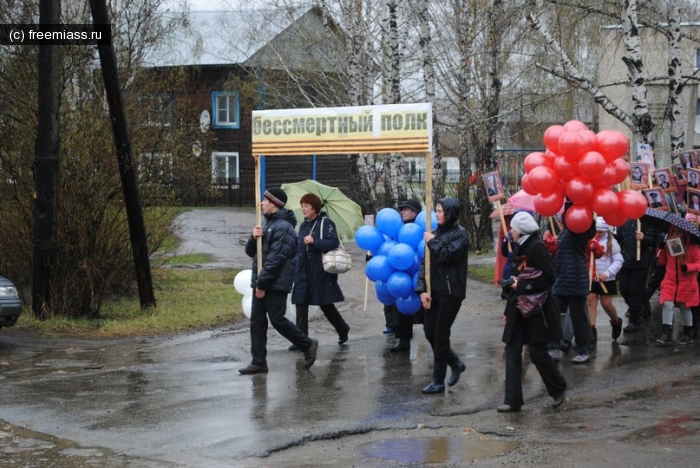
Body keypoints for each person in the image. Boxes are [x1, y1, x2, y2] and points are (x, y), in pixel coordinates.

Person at [241, 187, 318, 374]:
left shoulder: (284, 228)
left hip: (275, 282)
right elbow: (252, 252)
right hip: (262, 279)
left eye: (265, 201)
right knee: (257, 322)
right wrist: (253, 237)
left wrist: (261, 284)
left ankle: (307, 344)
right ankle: (259, 361)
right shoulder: (267, 224)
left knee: (277, 319)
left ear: (274, 204)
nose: (262, 204)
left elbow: (276, 259)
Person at [498, 211, 567, 412]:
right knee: (512, 350)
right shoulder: (521, 246)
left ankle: (558, 388)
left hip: (537, 310)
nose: (511, 231)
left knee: (537, 354)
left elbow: (548, 277)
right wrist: (508, 306)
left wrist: (521, 286)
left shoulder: (536, 247)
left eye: (513, 228)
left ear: (520, 230)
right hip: (518, 308)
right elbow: (516, 275)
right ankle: (512, 400)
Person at [415, 197, 468, 394]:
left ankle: (438, 381)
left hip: (450, 292)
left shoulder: (461, 235)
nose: (437, 214)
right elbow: (424, 265)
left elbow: (448, 256)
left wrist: (432, 242)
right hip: (433, 292)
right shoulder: (435, 233)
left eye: (440, 211)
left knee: (439, 335)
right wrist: (422, 290)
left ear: (450, 213)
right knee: (429, 331)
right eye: (436, 210)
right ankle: (454, 362)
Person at [291, 193, 350, 350]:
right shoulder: (303, 226)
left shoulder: (326, 223)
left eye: (307, 206)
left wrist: (315, 241)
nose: (303, 209)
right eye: (302, 206)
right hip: (303, 272)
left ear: (315, 208)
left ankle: (342, 328)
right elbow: (299, 249)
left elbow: (333, 242)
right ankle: (302, 341)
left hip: (320, 272)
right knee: (300, 304)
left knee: (325, 304)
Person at [551, 201, 596, 364]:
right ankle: (554, 346)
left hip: (575, 277)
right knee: (553, 310)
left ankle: (584, 349)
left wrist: (575, 203)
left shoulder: (578, 229)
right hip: (563, 277)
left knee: (579, 316)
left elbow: (589, 231)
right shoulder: (565, 231)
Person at [388, 199, 425, 352]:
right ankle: (403, 342)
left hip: (420, 273)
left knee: (426, 309)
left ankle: (435, 340)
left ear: (415, 212)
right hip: (402, 275)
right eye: (401, 209)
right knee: (402, 306)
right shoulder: (397, 228)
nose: (402, 211)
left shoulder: (422, 227)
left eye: (406, 209)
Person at [616, 219, 664, 332]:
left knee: (635, 291)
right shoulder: (624, 220)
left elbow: (654, 240)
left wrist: (644, 238)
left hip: (640, 262)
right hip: (625, 261)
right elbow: (620, 237)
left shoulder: (647, 220)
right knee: (623, 289)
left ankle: (634, 319)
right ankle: (643, 309)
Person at [655, 223, 700, 345]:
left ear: (685, 234)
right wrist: (661, 249)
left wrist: (687, 267)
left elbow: (698, 263)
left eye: (679, 232)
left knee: (684, 308)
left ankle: (688, 333)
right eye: (674, 232)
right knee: (667, 304)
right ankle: (666, 332)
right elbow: (662, 261)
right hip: (670, 281)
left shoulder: (692, 248)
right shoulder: (670, 247)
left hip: (686, 283)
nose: (676, 235)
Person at [588, 218, 624, 342]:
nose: (597, 234)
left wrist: (608, 273)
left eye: (600, 232)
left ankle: (616, 322)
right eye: (595, 231)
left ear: (606, 231)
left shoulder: (611, 242)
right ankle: (591, 332)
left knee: (606, 304)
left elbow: (618, 260)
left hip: (606, 278)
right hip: (592, 276)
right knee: (591, 301)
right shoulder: (589, 240)